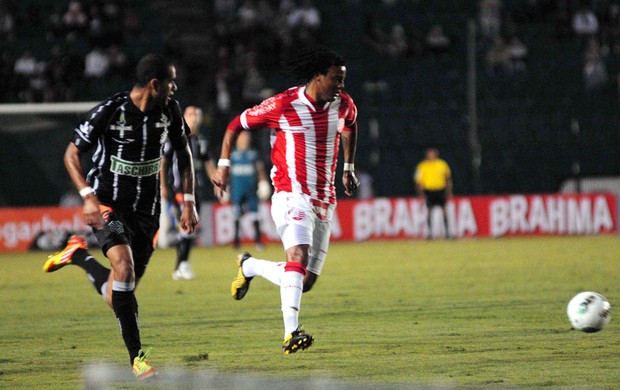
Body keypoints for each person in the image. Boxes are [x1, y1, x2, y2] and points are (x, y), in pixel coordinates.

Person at [42, 53, 199, 379]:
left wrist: (190, 202)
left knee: (119, 294)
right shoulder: (110, 110)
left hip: (148, 211)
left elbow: (184, 155)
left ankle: (79, 256)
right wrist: (87, 197)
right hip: (107, 204)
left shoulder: (170, 110)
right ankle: (138, 359)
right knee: (124, 268)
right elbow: (72, 153)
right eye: (171, 81)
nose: (175, 87)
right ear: (155, 84)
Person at [212, 47, 360, 354]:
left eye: (343, 80)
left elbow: (351, 126)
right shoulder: (283, 104)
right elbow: (234, 125)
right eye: (336, 79)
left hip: (324, 199)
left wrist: (348, 167)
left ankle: (250, 266)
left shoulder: (342, 104)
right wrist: (223, 166)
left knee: (305, 281)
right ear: (318, 77)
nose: (341, 85)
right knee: (298, 256)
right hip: (291, 193)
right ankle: (291, 332)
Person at [161, 105, 216, 280]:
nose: (194, 117)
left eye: (196, 114)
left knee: (189, 228)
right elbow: (164, 162)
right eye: (190, 114)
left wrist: (217, 180)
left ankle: (181, 265)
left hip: (195, 190)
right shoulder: (174, 138)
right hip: (179, 189)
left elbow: (208, 162)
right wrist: (163, 185)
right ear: (184, 117)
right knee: (186, 226)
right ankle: (181, 265)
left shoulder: (200, 140)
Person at [229, 130, 269, 250]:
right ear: (238, 139)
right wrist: (224, 185)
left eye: (247, 138)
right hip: (237, 190)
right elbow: (227, 171)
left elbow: (260, 169)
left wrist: (263, 182)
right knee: (236, 215)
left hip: (251, 190)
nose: (246, 140)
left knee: (255, 215)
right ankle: (236, 242)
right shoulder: (233, 155)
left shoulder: (253, 154)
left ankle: (258, 242)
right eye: (243, 137)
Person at [414, 147, 452, 239]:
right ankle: (430, 234)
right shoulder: (422, 166)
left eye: (433, 154)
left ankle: (447, 233)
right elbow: (418, 181)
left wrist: (449, 191)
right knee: (429, 211)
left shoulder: (442, 164)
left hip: (440, 189)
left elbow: (448, 178)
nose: (431, 156)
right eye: (429, 154)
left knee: (444, 211)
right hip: (429, 191)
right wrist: (420, 193)